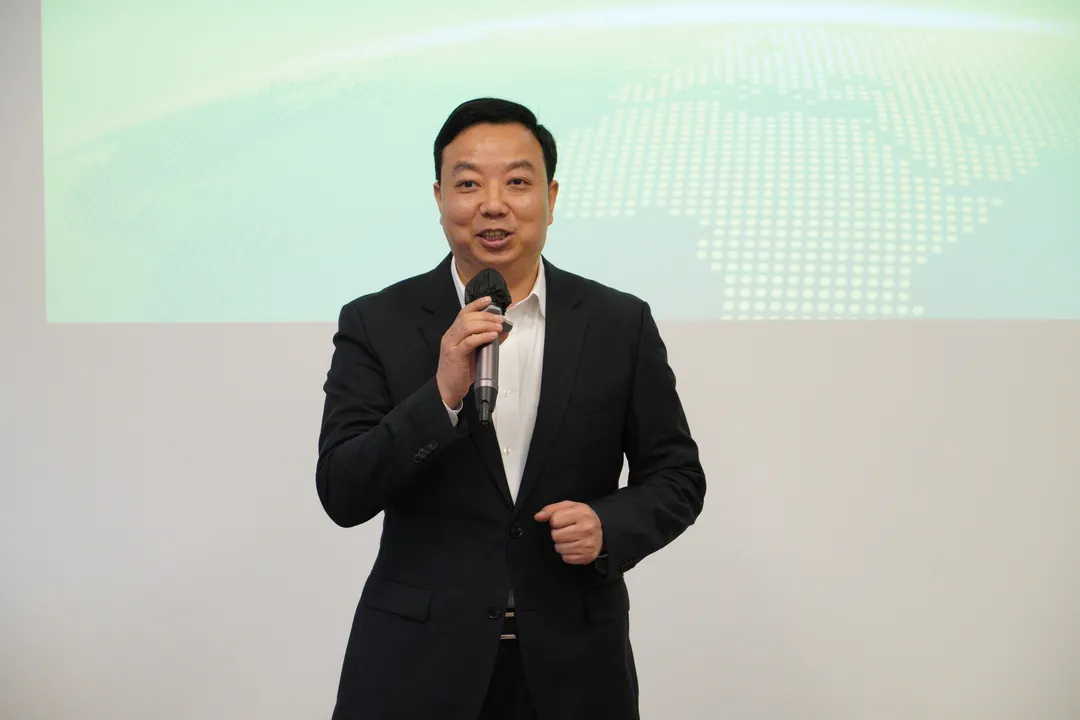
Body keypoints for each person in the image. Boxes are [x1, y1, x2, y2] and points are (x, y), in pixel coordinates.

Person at [316, 97, 706, 720]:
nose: (493, 204)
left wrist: (609, 525)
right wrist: (440, 395)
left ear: (551, 197)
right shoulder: (376, 321)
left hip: (574, 671)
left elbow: (678, 477)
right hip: (414, 670)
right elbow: (343, 489)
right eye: (469, 183)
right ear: (439, 197)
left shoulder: (618, 323)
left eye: (518, 182)